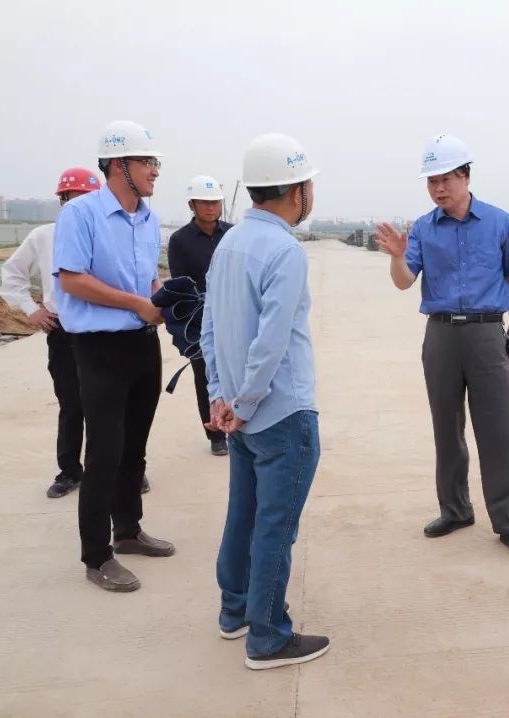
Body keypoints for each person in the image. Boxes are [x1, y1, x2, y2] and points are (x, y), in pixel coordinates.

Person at [202, 133, 329, 670]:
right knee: (275, 527)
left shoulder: (229, 244)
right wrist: (247, 402)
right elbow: (272, 343)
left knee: (243, 517)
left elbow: (209, 328)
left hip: (240, 414)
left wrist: (220, 396)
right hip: (280, 414)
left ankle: (234, 612)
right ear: (297, 190)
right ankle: (269, 636)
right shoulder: (284, 251)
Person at [374, 133, 509, 562]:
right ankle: (456, 510)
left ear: (466, 176)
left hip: (486, 334)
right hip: (441, 336)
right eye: (431, 181)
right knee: (447, 429)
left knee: (498, 432)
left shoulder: (498, 222)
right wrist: (397, 256)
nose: (438, 188)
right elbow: (405, 282)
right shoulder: (424, 229)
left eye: (445, 179)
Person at [52, 120, 174, 592]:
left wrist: (163, 297)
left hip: (143, 343)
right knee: (104, 451)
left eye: (155, 162)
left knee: (134, 447)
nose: (155, 171)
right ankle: (96, 556)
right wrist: (136, 303)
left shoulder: (148, 219)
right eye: (147, 162)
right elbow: (71, 279)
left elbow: (146, 279)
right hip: (100, 348)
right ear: (119, 165)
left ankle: (127, 530)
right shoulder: (80, 214)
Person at [0, 168, 100, 498]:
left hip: (103, 329)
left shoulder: (108, 235)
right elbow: (12, 274)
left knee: (110, 404)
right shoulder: (44, 237)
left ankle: (119, 468)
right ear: (62, 201)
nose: (81, 207)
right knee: (71, 403)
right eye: (74, 199)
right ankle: (69, 471)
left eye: (89, 200)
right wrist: (32, 310)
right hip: (64, 330)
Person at [167, 175, 232, 456]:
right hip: (199, 318)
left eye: (215, 202)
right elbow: (180, 284)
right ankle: (215, 434)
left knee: (236, 371)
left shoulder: (233, 234)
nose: (211, 207)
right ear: (192, 205)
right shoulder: (179, 240)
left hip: (233, 314)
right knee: (205, 375)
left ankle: (238, 424)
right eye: (205, 202)